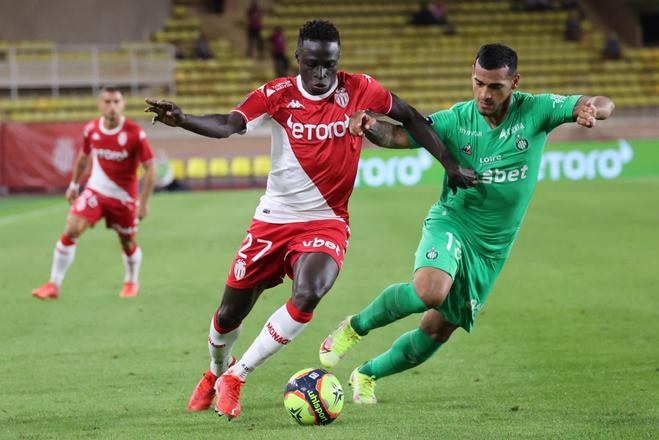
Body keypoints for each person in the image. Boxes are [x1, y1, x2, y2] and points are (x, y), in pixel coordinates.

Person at [145, 19, 476, 420]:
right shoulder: (277, 94)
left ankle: (238, 376)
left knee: (309, 292)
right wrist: (185, 120)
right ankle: (215, 371)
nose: (322, 75)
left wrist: (448, 161)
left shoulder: (360, 89)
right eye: (313, 64)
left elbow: (412, 118)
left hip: (327, 220)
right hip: (273, 220)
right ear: (298, 58)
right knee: (229, 315)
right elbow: (229, 125)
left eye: (330, 66)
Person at [319, 43, 615, 404]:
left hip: (492, 248)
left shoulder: (536, 110)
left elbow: (602, 101)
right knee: (431, 290)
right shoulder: (457, 119)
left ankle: (367, 374)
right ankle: (354, 327)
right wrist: (370, 125)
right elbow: (397, 136)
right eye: (478, 83)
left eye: (494, 87)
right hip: (453, 222)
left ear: (515, 83)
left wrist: (592, 109)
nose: (484, 94)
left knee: (437, 328)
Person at [32, 86, 156, 300]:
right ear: (99, 104)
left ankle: (131, 282)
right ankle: (54, 284)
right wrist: (73, 185)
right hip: (96, 191)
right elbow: (83, 157)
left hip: (124, 198)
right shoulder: (91, 129)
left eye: (116, 101)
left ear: (123, 104)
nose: (112, 107)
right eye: (107, 102)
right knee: (71, 228)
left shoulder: (135, 133)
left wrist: (143, 203)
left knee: (127, 242)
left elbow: (150, 167)